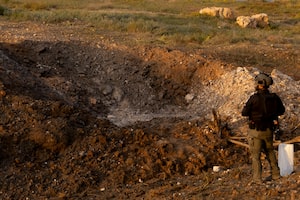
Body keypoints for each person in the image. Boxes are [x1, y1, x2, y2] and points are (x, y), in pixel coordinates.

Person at [242, 72, 285, 183]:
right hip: (269, 130)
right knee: (270, 151)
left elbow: (244, 113)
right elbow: (282, 111)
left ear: (259, 84)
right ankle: (276, 174)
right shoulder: (274, 98)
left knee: (256, 156)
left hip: (255, 131)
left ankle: (257, 178)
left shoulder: (254, 98)